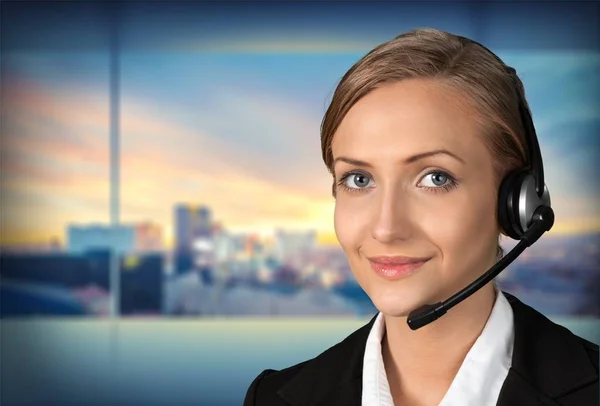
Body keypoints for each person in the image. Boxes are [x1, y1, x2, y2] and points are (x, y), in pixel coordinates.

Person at [243, 28, 599, 406]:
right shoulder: (271, 398)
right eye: (359, 179)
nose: (386, 227)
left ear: (515, 202)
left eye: (435, 178)